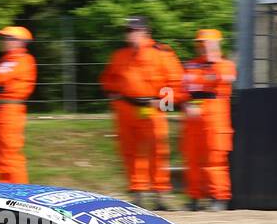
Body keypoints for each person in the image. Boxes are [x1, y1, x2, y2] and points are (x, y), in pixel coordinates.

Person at [99, 15, 184, 210]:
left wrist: (163, 104)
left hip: (152, 109)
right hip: (126, 109)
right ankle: (137, 193)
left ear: (145, 32)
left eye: (134, 30)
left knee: (157, 151)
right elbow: (107, 79)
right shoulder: (120, 55)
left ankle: (159, 195)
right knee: (130, 151)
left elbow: (176, 83)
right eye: (128, 30)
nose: (130, 34)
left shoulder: (162, 53)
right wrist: (115, 95)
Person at [179, 29, 237, 211]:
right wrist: (185, 104)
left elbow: (226, 78)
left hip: (216, 117)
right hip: (193, 117)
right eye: (201, 43)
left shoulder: (225, 64)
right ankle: (194, 197)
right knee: (192, 159)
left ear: (217, 44)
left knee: (215, 160)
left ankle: (218, 198)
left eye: (208, 43)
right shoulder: (190, 65)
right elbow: (182, 89)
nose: (203, 47)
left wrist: (213, 60)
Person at [0, 26, 37, 183]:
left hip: (9, 111)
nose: (3, 41)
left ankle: (20, 193)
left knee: (9, 154)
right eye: (4, 38)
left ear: (19, 42)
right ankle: (5, 191)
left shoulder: (22, 59)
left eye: (7, 38)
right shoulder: (7, 60)